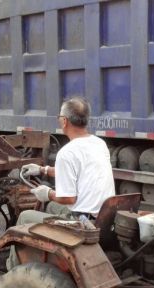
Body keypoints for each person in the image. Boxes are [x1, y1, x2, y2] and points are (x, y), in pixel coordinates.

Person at [7, 97, 115, 268]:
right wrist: (43, 170)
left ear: (64, 121)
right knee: (50, 207)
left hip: (82, 223)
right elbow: (78, 172)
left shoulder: (67, 152)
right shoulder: (99, 143)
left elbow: (69, 199)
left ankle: (13, 269)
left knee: (25, 216)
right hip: (102, 217)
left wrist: (47, 193)